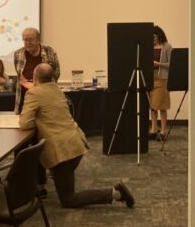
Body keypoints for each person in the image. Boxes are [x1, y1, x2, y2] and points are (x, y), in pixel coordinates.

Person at [19, 63, 134, 209]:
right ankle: (47, 181)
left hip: (63, 151)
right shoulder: (56, 90)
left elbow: (25, 123)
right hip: (75, 142)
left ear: (35, 78)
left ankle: (115, 193)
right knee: (60, 174)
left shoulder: (33, 94)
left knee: (69, 200)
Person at [14, 28, 60, 113]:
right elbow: (19, 73)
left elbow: (56, 73)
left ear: (38, 39)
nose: (28, 43)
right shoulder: (18, 54)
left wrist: (35, 86)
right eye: (25, 40)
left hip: (46, 98)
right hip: (25, 99)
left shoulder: (49, 51)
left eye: (31, 39)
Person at [150, 25, 172, 140]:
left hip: (162, 79)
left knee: (162, 106)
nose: (152, 39)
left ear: (159, 35)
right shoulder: (149, 47)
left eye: (154, 37)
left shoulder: (167, 47)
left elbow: (172, 64)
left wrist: (158, 64)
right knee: (152, 106)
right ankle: (153, 130)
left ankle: (163, 131)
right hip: (150, 79)